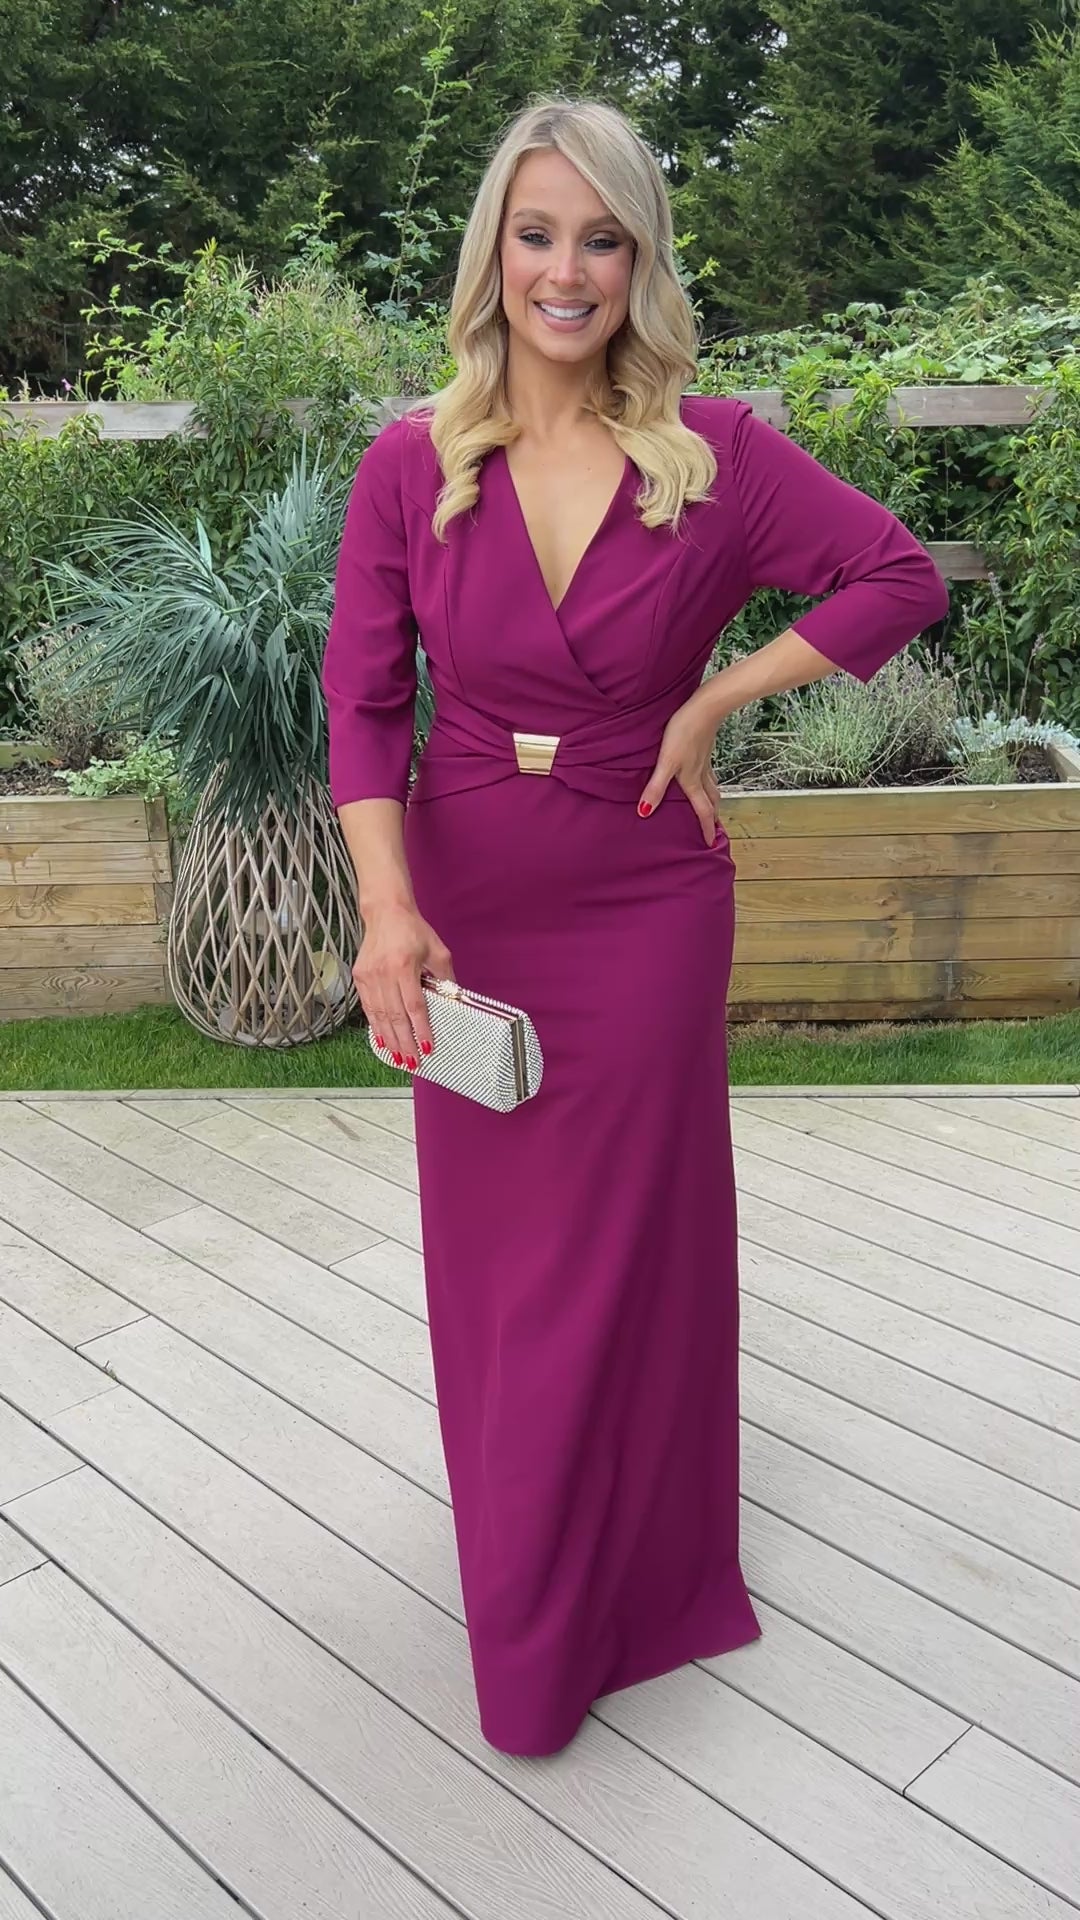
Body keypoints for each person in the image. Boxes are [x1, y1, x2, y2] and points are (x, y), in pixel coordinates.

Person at [321, 94, 949, 1759]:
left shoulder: (715, 452)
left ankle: (637, 1586)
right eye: (537, 234)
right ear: (493, 253)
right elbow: (363, 705)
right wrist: (387, 911)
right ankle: (532, 1579)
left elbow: (898, 577)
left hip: (648, 895)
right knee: (504, 1272)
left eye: (603, 239)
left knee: (627, 1251)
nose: (567, 270)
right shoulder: (411, 462)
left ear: (640, 261)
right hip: (466, 909)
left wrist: (717, 698)